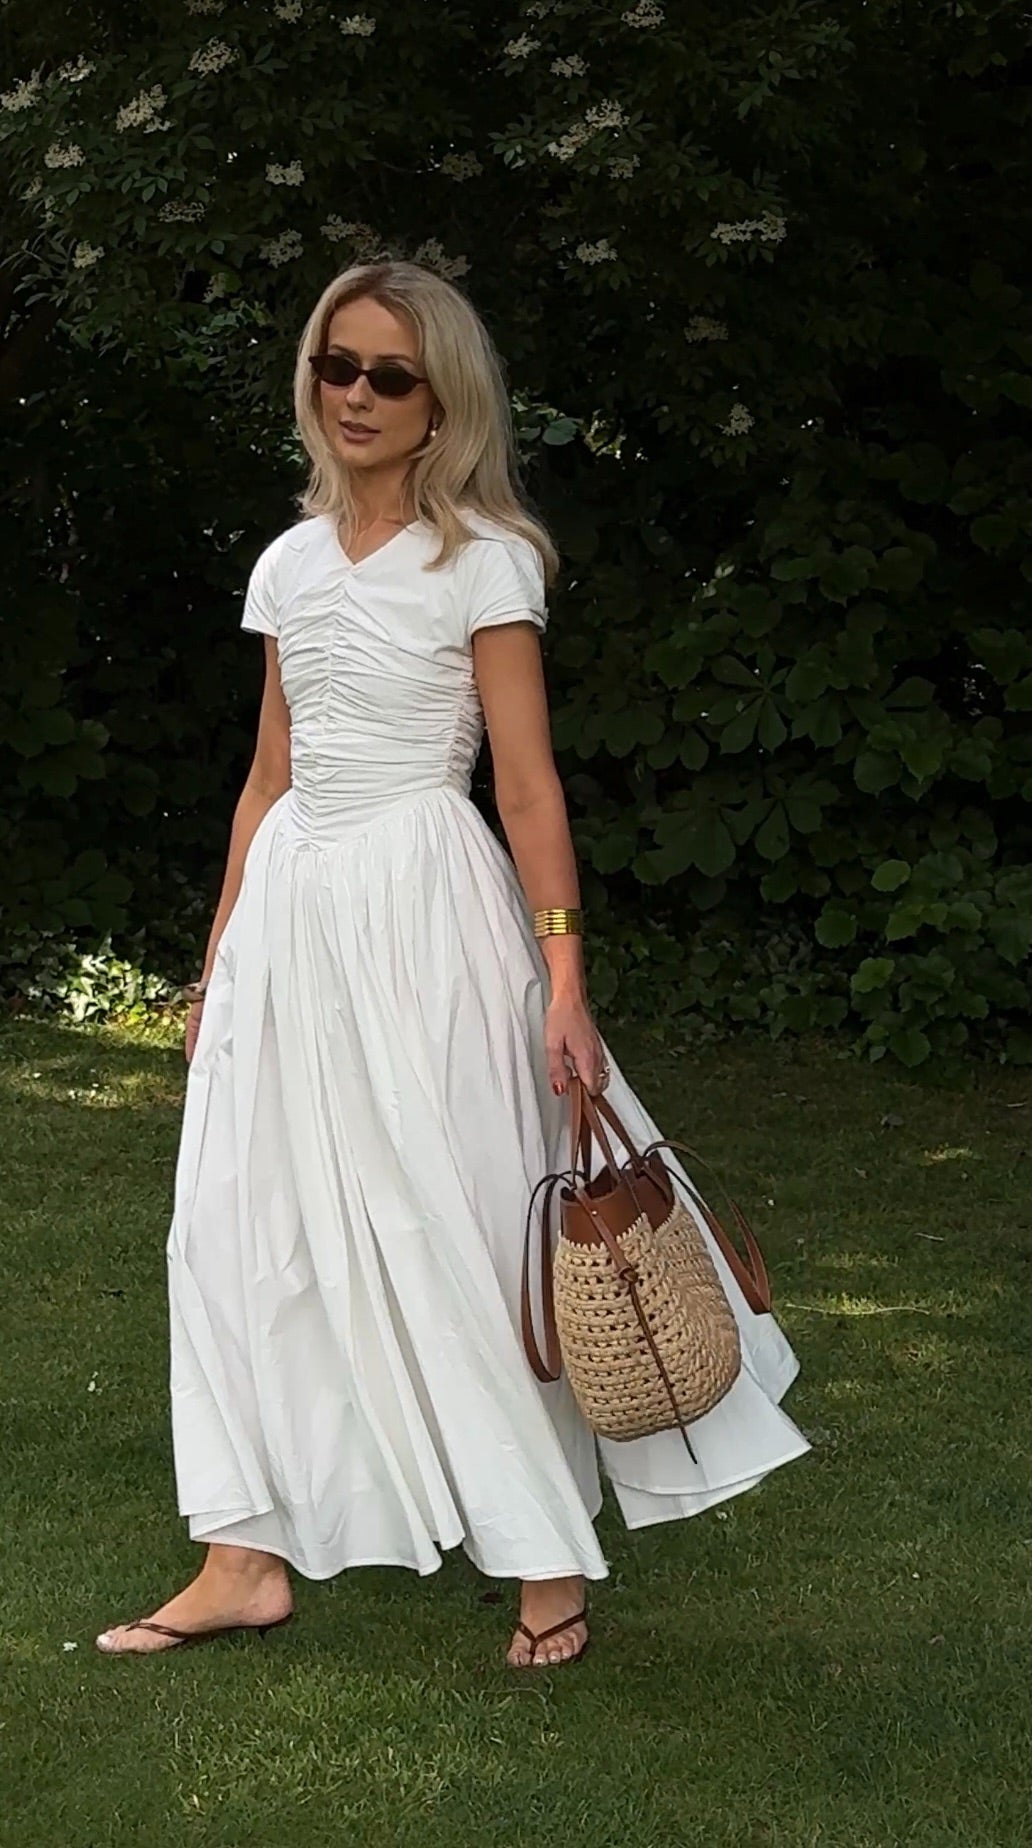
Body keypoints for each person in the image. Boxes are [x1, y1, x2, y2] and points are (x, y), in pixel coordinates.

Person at [95, 261, 810, 1669]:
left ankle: (546, 1562)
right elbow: (266, 774)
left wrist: (566, 981)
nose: (354, 395)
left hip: (426, 907)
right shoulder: (287, 563)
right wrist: (217, 959)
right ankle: (243, 1552)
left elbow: (529, 792)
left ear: (443, 406)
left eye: (389, 376)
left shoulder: (486, 558)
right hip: (293, 914)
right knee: (236, 1232)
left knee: (456, 1223)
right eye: (334, 367)